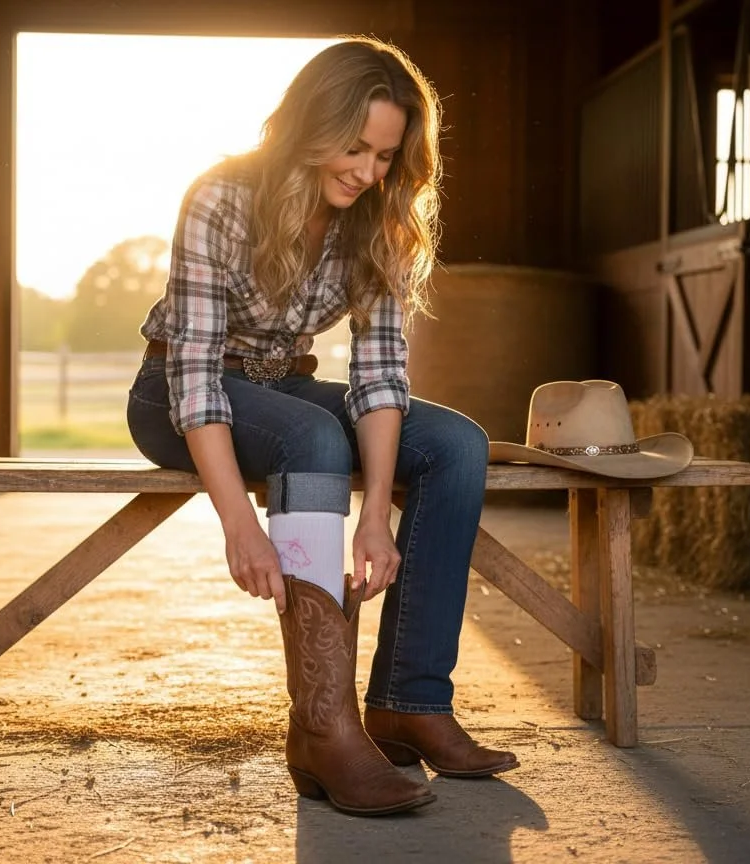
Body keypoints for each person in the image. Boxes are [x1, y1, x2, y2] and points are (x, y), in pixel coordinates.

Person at [127, 37, 519, 817]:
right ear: (309, 125)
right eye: (354, 147)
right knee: (313, 440)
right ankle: (322, 726)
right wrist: (239, 523)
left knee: (455, 444)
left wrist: (375, 515)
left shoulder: (379, 217)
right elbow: (197, 374)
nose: (368, 171)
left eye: (384, 155)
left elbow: (379, 375)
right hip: (176, 391)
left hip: (284, 387)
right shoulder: (220, 197)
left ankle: (411, 700)